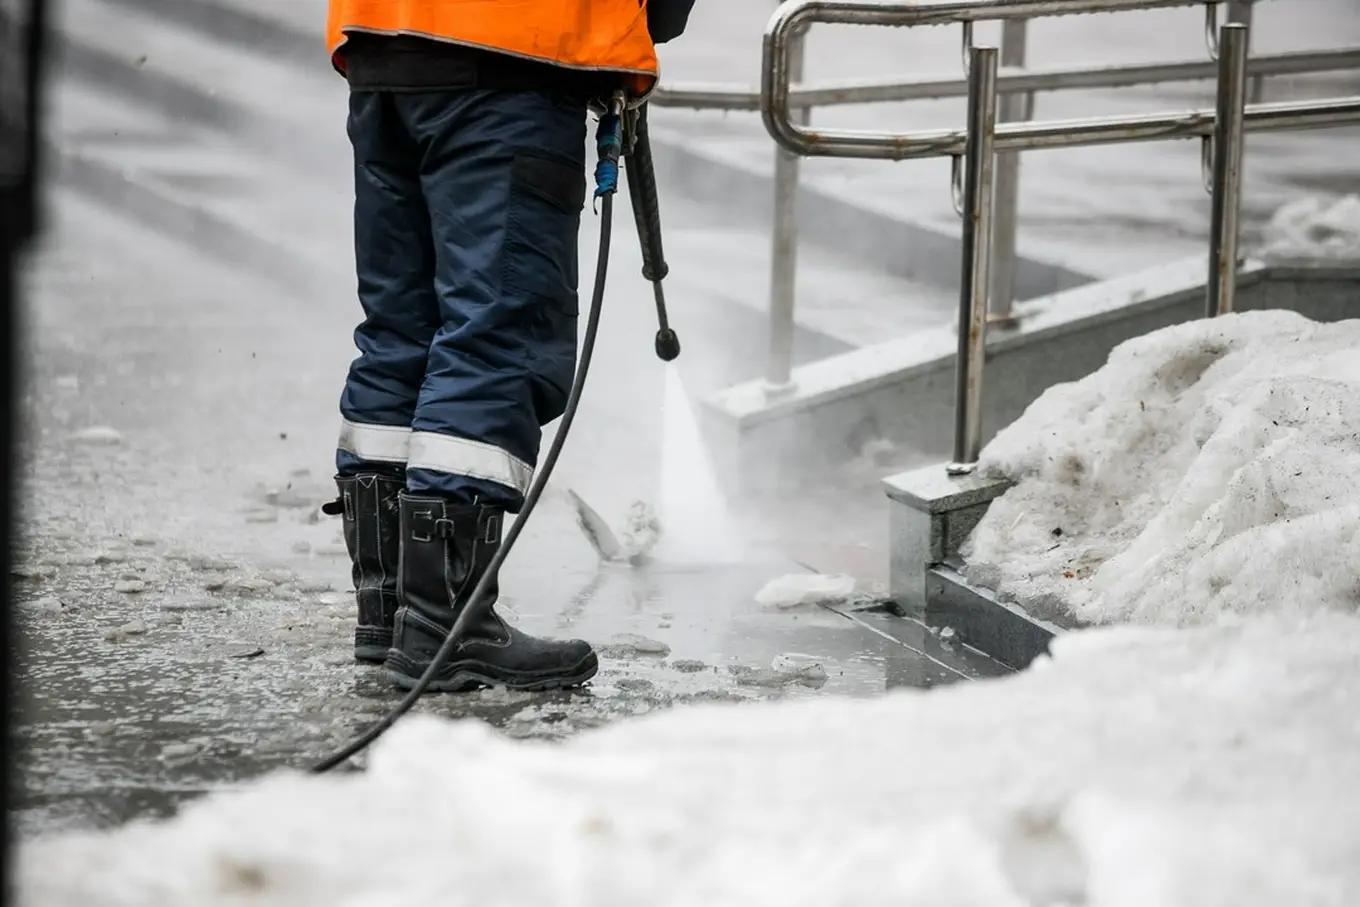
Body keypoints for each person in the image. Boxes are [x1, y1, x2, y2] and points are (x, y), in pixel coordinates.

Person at [320, 1, 695, 694]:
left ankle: (391, 611)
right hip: (512, 53)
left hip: (382, 42)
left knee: (402, 331)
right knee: (493, 336)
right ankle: (445, 625)